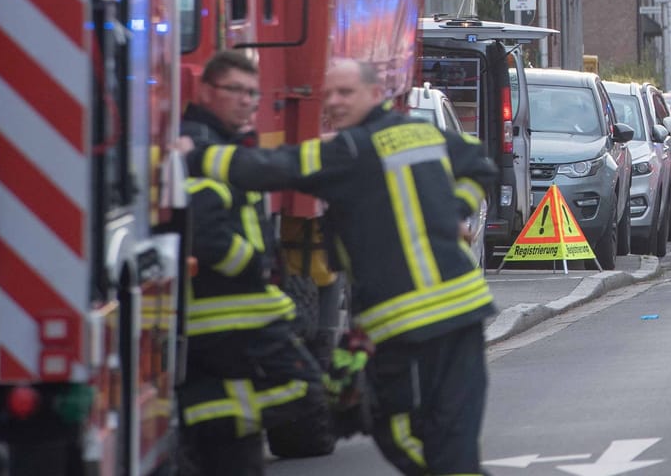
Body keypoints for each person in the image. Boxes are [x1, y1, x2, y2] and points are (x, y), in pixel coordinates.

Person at [186, 57, 497, 475]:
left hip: (408, 323)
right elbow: (479, 163)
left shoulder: (347, 150)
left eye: (345, 93)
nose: (332, 102)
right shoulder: (421, 133)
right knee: (452, 433)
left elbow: (272, 168)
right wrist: (456, 210)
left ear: (375, 94)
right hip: (463, 311)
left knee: (404, 432)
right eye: (328, 94)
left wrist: (198, 155)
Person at [178, 50, 326, 475]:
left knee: (237, 452)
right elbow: (205, 232)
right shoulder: (199, 144)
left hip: (232, 311)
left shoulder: (222, 143)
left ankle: (205, 423)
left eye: (252, 93)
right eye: (235, 91)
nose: (246, 101)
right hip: (226, 310)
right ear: (207, 91)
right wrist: (251, 264)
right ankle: (189, 417)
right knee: (304, 387)